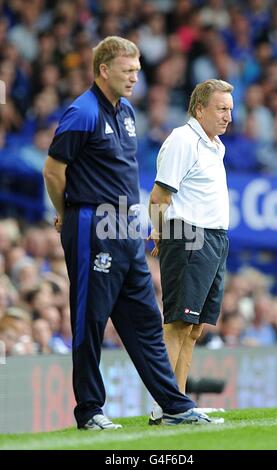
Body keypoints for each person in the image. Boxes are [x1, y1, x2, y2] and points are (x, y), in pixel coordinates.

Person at [43, 36, 223, 430]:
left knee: (145, 320)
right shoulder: (82, 111)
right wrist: (66, 213)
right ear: (104, 69)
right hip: (93, 224)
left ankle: (173, 404)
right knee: (90, 320)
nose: (135, 78)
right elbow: (53, 170)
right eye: (128, 70)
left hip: (126, 227)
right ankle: (90, 410)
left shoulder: (125, 111)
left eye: (138, 71)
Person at [148, 79, 233, 423]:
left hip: (213, 239)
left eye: (230, 108)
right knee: (178, 325)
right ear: (200, 109)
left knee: (194, 328)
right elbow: (158, 196)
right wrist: (159, 232)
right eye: (221, 108)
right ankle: (164, 406)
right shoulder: (183, 140)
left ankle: (179, 403)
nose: (228, 115)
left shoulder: (215, 145)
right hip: (188, 237)